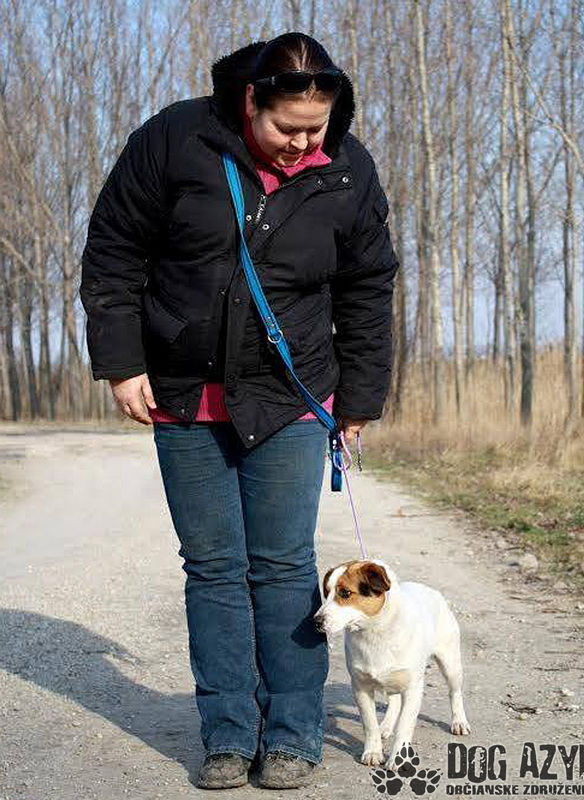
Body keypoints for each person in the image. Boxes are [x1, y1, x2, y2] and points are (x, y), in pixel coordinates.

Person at [79, 31, 399, 791]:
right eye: (289, 127)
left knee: (284, 565)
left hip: (293, 394)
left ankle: (292, 733)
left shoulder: (348, 168)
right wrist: (122, 361)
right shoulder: (175, 139)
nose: (304, 144)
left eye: (317, 128)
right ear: (251, 100)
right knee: (213, 567)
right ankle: (226, 733)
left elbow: (367, 287)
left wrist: (359, 398)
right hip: (184, 392)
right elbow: (114, 251)